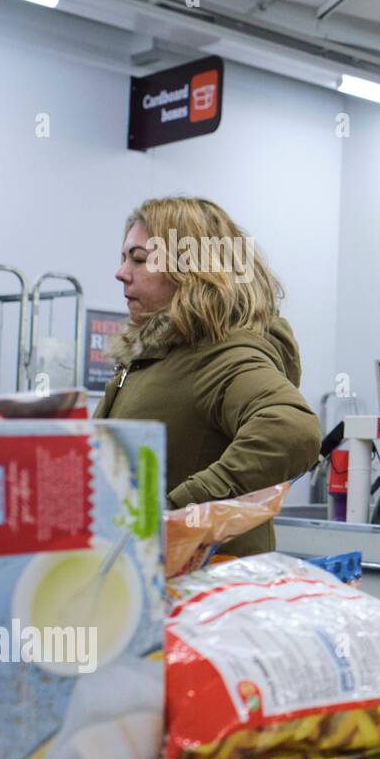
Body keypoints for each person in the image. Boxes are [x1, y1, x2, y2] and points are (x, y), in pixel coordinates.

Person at [96, 197, 321, 555]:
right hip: (149, 580)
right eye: (124, 258)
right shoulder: (157, 355)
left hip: (203, 589)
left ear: (192, 269)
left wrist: (183, 509)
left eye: (139, 259)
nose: (121, 272)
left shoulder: (221, 355)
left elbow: (291, 429)